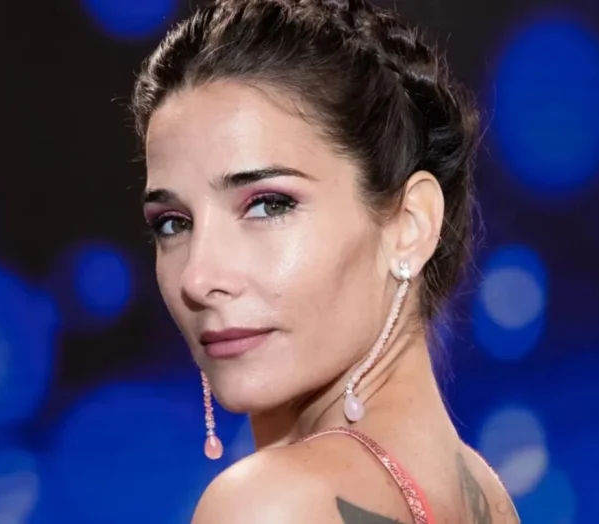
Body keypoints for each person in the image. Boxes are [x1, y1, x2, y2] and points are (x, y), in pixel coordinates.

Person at [132, 0, 519, 522]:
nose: (198, 278)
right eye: (173, 223)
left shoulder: (268, 505)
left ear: (410, 224)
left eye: (269, 205)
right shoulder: (485, 493)